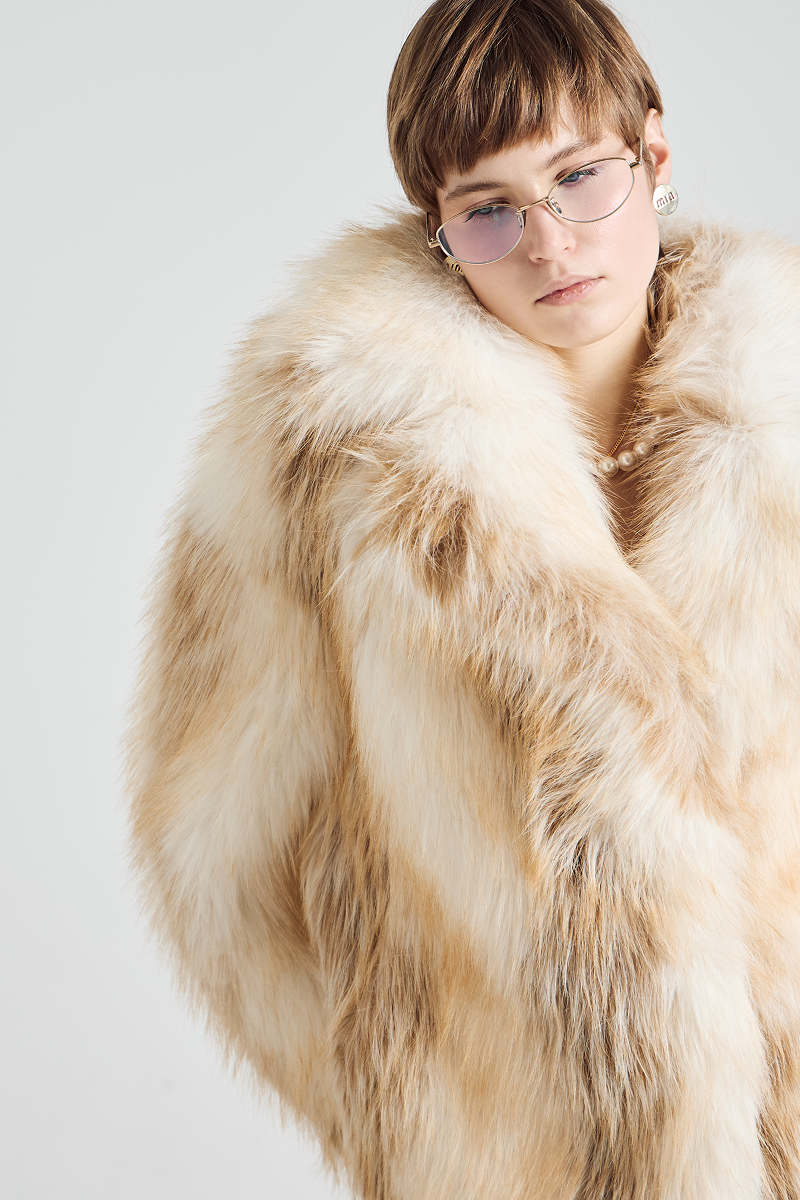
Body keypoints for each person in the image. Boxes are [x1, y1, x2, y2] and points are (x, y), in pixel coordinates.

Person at [127, 1, 800, 1196]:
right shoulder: (329, 452)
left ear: (652, 153)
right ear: (436, 232)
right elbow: (214, 846)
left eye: (579, 178)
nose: (548, 243)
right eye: (487, 209)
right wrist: (413, 1113)